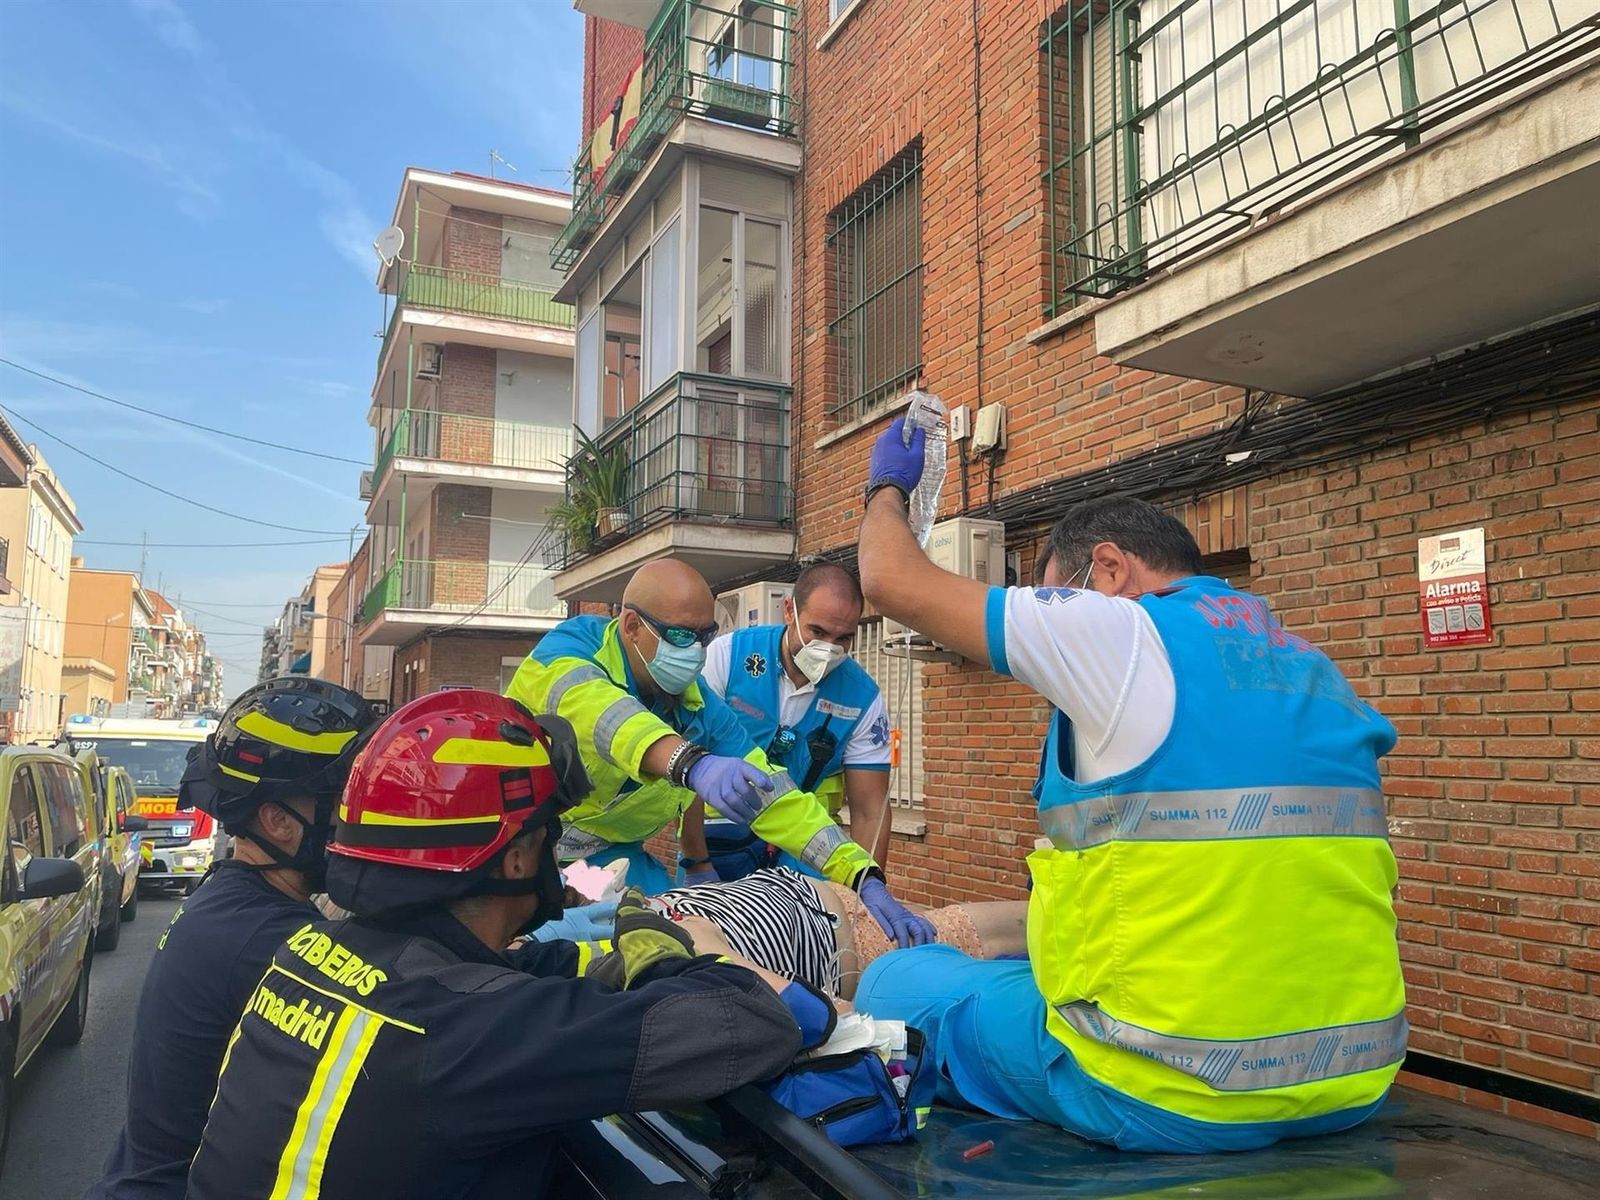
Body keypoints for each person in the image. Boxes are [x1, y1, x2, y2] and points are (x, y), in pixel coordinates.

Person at [847, 420, 1405, 1154]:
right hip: (1352, 1083)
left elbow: (889, 581)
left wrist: (887, 487)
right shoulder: (1315, 669)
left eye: (1055, 595)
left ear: (1107, 570)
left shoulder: (1121, 629)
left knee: (898, 979)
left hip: (1162, 1088)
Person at [184, 691, 822, 1199]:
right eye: (551, 834)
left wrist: (595, 967)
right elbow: (754, 1023)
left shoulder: (311, 953)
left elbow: (492, 974)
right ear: (516, 858)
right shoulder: (473, 1031)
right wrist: (659, 951)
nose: (555, 851)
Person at [504, 558, 933, 947]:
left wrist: (862, 874)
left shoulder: (698, 706)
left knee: (675, 938)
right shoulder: (569, 654)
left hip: (610, 862)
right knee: (531, 953)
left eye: (704, 636)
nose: (694, 651)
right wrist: (691, 765)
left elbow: (775, 797)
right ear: (632, 626)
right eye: (679, 636)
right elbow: (603, 714)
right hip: (513, 854)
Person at [89, 677, 379, 1200]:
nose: (353, 818)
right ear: (278, 821)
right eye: (339, 802)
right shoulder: (273, 941)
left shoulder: (231, 901)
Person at [679, 563, 894, 882]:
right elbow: (687, 764)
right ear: (789, 611)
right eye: (817, 632)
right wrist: (697, 860)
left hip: (806, 849)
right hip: (720, 840)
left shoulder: (863, 699)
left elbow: (870, 810)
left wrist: (864, 890)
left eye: (844, 639)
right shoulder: (728, 657)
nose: (829, 649)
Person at [649, 867, 1026, 1000]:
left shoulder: (617, 923)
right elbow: (820, 1013)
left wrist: (866, 878)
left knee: (1006, 930)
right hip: (854, 948)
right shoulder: (669, 973)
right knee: (995, 933)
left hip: (812, 896)